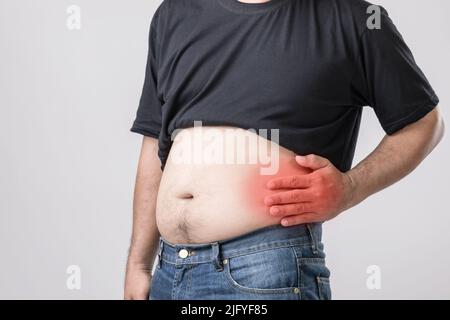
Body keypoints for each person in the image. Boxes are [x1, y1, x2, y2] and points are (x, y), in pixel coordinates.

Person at [124, 0, 444, 300]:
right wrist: (139, 264)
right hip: (169, 270)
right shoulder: (175, 12)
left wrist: (351, 187)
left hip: (268, 270)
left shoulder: (355, 18)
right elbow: (155, 141)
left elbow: (425, 123)